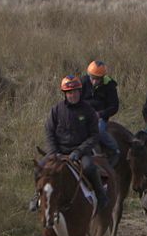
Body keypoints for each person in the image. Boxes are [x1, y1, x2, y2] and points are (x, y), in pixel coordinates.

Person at [29, 75, 109, 211]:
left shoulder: (88, 111)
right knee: (39, 169)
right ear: (65, 94)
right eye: (70, 92)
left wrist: (78, 151)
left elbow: (94, 136)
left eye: (76, 91)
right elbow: (49, 132)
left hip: (81, 152)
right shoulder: (56, 110)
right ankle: (37, 196)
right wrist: (54, 152)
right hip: (58, 152)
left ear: (80, 91)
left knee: (90, 167)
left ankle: (101, 196)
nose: (73, 95)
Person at [81, 60, 120, 166]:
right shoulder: (83, 82)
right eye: (92, 78)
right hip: (83, 115)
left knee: (98, 131)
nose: (94, 81)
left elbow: (114, 107)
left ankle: (114, 149)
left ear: (102, 77)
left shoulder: (110, 85)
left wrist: (100, 114)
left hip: (100, 117)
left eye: (97, 79)